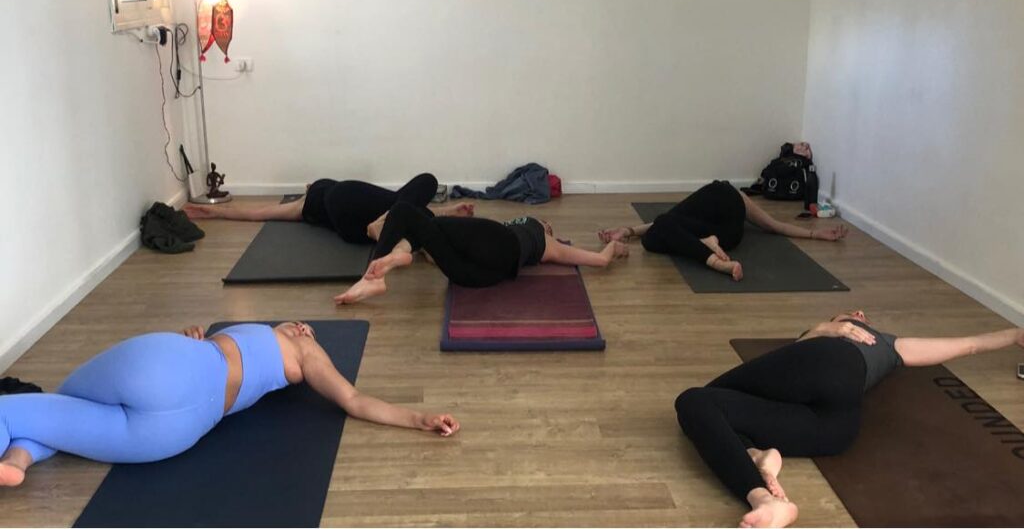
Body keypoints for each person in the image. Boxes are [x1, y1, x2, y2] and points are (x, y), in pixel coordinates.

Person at [673, 310, 1024, 528]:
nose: (857, 315)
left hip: (831, 366)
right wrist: (827, 327)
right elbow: (969, 345)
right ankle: (763, 493)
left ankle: (756, 460)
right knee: (711, 409)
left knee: (700, 399)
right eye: (848, 315)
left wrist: (1013, 335)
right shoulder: (875, 344)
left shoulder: (882, 343)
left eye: (859, 317)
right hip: (836, 430)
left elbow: (967, 344)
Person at [0, 321, 459, 487]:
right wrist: (421, 420)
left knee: (56, 401)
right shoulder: (269, 343)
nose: (303, 326)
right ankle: (17, 461)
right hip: (179, 431)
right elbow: (354, 400)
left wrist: (418, 418)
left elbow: (354, 399)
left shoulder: (302, 347)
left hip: (169, 366)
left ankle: (19, 452)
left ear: (304, 333)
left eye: (307, 328)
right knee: (59, 418)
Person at [334, 202, 629, 304]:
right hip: (469, 275)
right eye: (546, 222)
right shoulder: (508, 230)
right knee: (417, 221)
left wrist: (615, 246)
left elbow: (599, 260)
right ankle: (388, 265)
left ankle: (391, 260)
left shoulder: (547, 242)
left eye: (548, 224)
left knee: (414, 216)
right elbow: (439, 251)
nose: (547, 223)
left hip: (502, 250)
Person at [597, 180, 848, 281]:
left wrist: (628, 231)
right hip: (728, 227)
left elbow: (668, 221)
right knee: (661, 229)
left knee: (658, 233)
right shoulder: (735, 197)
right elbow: (774, 226)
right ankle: (709, 244)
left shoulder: (712, 199)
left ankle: (717, 261)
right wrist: (815, 234)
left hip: (720, 221)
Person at [184, 172, 473, 244]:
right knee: (427, 181)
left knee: (400, 206)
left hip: (353, 230)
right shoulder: (314, 197)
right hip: (353, 209)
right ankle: (418, 226)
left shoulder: (302, 207)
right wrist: (213, 210)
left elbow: (257, 213)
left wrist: (216, 211)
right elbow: (255, 213)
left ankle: (396, 224)